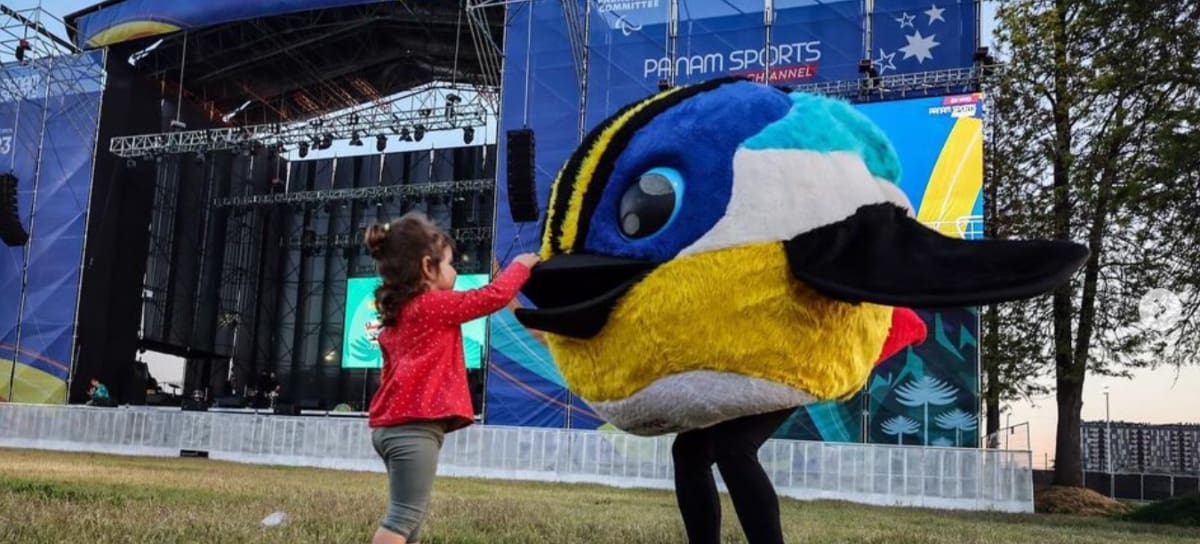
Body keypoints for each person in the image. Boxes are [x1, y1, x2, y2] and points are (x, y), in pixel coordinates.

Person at [364, 211, 539, 544]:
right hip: (414, 430)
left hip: (392, 429)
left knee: (410, 519)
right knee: (402, 518)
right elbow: (490, 297)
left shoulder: (400, 314)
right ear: (427, 268)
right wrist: (521, 267)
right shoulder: (433, 305)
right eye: (449, 263)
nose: (455, 270)